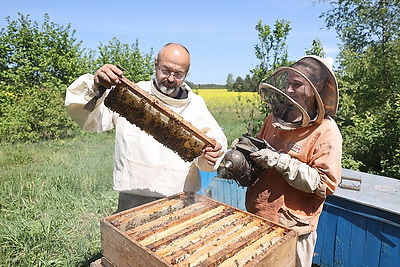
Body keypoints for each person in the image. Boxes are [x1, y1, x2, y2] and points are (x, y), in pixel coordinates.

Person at [65, 43, 227, 212]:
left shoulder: (196, 105)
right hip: (132, 200)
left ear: (187, 73)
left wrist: (213, 153)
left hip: (181, 201)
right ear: (156, 64)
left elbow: (214, 146)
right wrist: (96, 85)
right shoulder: (130, 94)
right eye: (166, 70)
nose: (171, 79)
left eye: (178, 74)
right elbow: (91, 121)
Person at [245, 55, 342, 267]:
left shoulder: (326, 130)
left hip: (294, 230)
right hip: (258, 216)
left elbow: (325, 184)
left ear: (316, 86)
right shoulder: (274, 119)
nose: (289, 90)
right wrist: (245, 152)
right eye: (287, 83)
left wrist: (282, 162)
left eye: (296, 85)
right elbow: (259, 157)